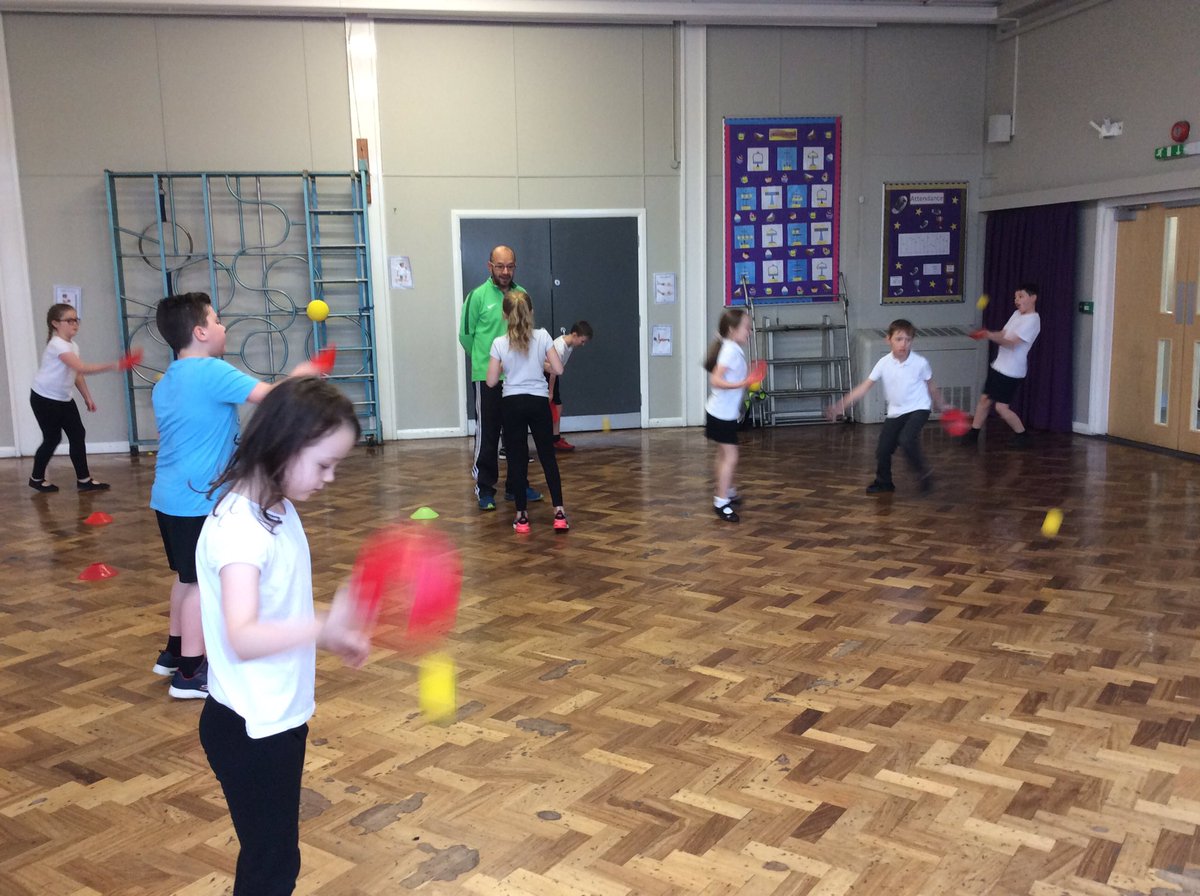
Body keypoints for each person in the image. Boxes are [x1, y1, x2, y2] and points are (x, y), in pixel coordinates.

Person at [196, 376, 369, 896]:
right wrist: (321, 626)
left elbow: (278, 607)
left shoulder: (276, 510)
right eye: (323, 464)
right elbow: (243, 635)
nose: (330, 478)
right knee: (272, 869)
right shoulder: (240, 533)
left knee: (273, 859)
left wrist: (329, 630)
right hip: (250, 729)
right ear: (283, 446)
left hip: (276, 717)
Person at [150, 292, 319, 700]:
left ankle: (173, 652)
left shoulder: (168, 378)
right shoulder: (210, 371)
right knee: (200, 587)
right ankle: (190, 673)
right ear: (201, 331)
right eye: (218, 319)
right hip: (198, 500)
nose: (223, 326)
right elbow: (273, 396)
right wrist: (303, 374)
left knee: (185, 579)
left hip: (167, 497)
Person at [458, 245, 541, 510]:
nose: (505, 272)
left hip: (518, 378)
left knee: (516, 434)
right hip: (487, 378)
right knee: (489, 433)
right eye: (500, 266)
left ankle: (516, 486)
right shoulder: (477, 297)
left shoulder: (522, 294)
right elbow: (466, 335)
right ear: (489, 266)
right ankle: (485, 489)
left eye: (510, 266)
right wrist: (487, 363)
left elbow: (527, 332)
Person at [826, 318, 947, 495]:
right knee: (883, 449)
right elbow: (864, 387)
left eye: (907, 339)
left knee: (906, 439)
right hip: (896, 412)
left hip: (919, 408)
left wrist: (941, 405)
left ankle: (924, 474)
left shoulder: (920, 363)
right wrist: (841, 405)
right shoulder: (883, 363)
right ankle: (884, 482)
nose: (903, 344)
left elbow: (931, 386)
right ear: (888, 339)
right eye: (899, 339)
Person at [486, 289, 569, 533]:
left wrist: (503, 366)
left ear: (504, 315)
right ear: (531, 312)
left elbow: (491, 381)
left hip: (512, 404)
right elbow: (558, 369)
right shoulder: (542, 336)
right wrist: (539, 363)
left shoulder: (499, 343)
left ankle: (522, 517)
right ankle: (559, 514)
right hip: (538, 403)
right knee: (547, 457)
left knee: (517, 459)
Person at [28, 303, 124, 493]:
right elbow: (81, 367)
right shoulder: (57, 345)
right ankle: (36, 478)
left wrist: (87, 397)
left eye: (76, 320)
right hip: (44, 398)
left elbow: (76, 373)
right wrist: (115, 365)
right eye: (69, 320)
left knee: (78, 434)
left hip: (63, 398)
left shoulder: (73, 346)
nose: (75, 324)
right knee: (52, 439)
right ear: (56, 323)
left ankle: (84, 480)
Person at [962, 283, 1041, 448]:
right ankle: (973, 435)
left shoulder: (1033, 320)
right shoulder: (1016, 314)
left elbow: (1011, 344)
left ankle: (1023, 435)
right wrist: (987, 334)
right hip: (999, 366)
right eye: (1015, 297)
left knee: (1001, 407)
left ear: (1033, 298)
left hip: (1012, 371)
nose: (1017, 300)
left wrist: (989, 335)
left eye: (1021, 297)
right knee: (984, 400)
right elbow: (1003, 334)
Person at [704, 307, 755, 522]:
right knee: (731, 457)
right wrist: (742, 383)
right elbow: (715, 380)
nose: (749, 332)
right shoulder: (731, 350)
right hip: (722, 415)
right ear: (733, 330)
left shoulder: (729, 346)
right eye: (746, 328)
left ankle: (725, 490)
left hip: (719, 412)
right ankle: (721, 501)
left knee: (723, 455)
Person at [546, 320, 594, 451]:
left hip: (554, 374)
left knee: (558, 405)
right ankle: (550, 439)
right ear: (574, 335)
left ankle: (555, 438)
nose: (583, 344)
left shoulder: (570, 345)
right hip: (548, 375)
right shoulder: (559, 347)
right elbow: (552, 371)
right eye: (582, 341)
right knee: (553, 406)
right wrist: (550, 392)